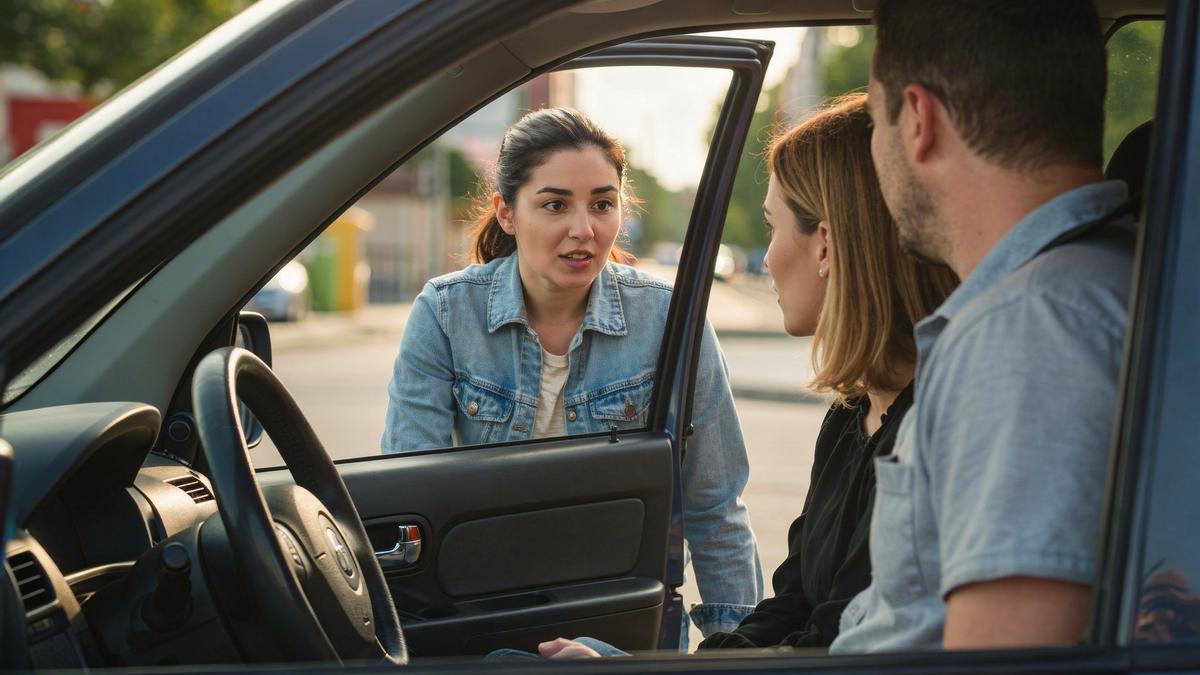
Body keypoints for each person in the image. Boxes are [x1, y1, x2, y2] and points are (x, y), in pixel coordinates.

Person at [534, 94, 957, 660]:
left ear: (825, 244)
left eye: (771, 226)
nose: (768, 257)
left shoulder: (928, 429)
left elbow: (828, 644)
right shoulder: (851, 416)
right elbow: (793, 605)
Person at [381, 107, 762, 640]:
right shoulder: (446, 313)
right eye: (555, 204)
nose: (583, 230)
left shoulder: (671, 320)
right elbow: (407, 497)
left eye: (603, 204)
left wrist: (738, 648)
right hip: (481, 617)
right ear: (507, 213)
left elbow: (715, 510)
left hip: (621, 624)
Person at [831, 0, 1135, 653]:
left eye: (871, 121)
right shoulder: (1091, 288)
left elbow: (1005, 659)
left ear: (917, 118)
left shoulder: (1029, 332)